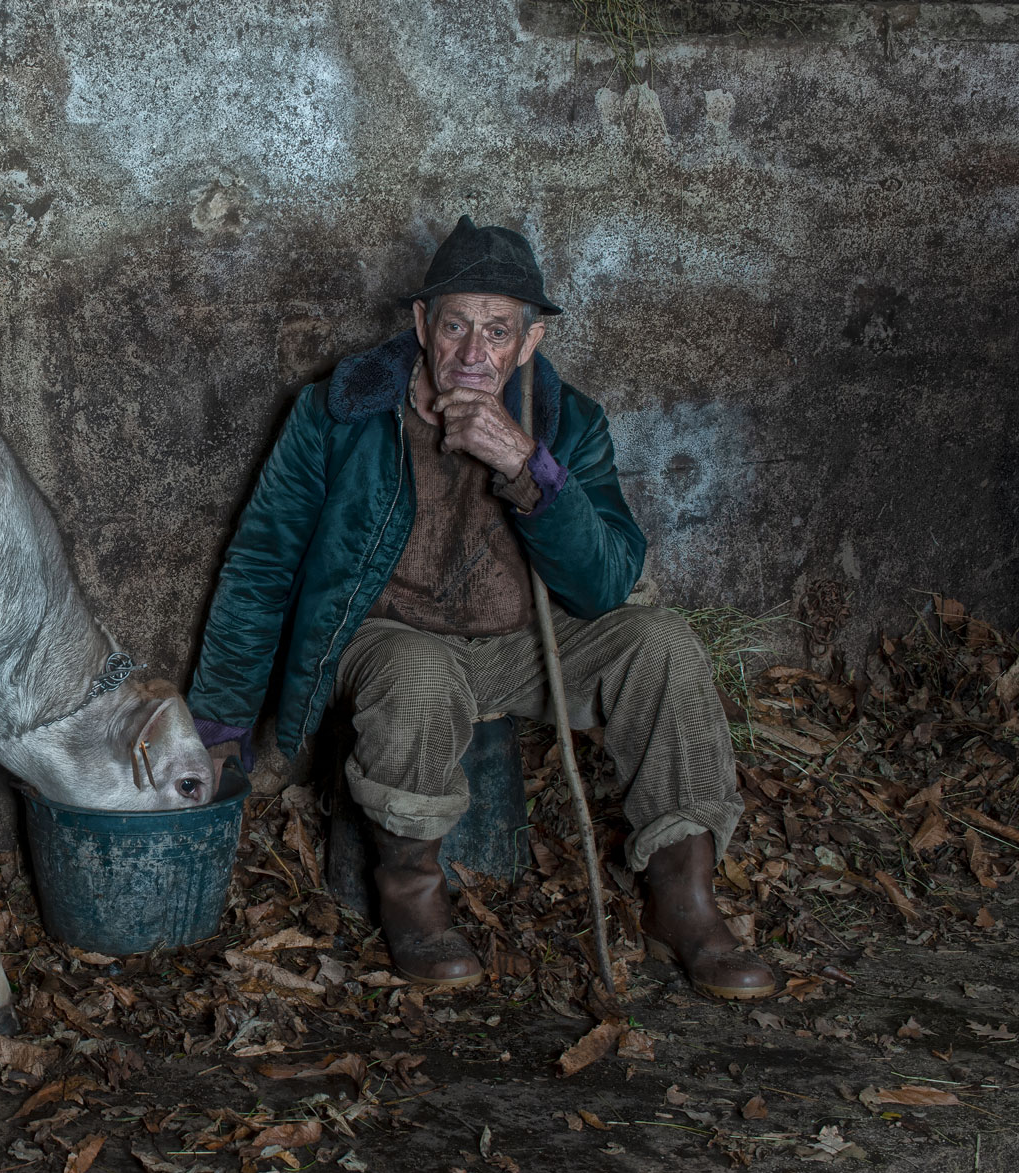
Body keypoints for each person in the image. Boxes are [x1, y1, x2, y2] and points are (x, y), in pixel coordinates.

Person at [188, 216, 774, 1000]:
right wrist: (220, 722)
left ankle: (685, 904)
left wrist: (528, 468)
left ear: (528, 344)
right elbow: (261, 562)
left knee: (661, 642)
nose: (473, 353)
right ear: (423, 325)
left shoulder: (569, 421)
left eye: (497, 332)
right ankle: (414, 905)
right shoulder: (343, 413)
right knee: (417, 673)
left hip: (521, 643)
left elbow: (604, 583)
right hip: (387, 637)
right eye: (456, 325)